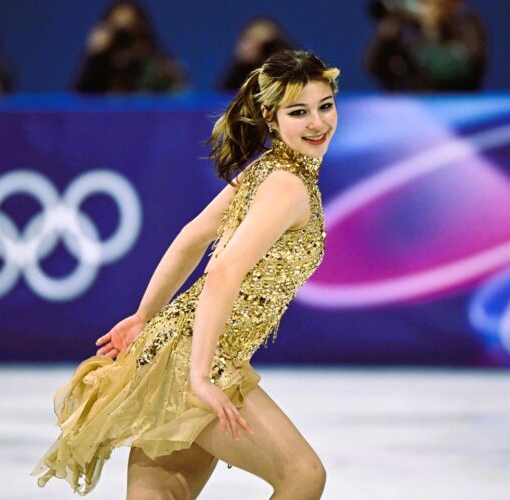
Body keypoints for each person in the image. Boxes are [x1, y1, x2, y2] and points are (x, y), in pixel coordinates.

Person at [32, 49, 338, 498]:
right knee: (302, 475)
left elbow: (192, 237)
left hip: (173, 346)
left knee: (162, 493)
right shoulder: (287, 185)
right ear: (271, 119)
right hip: (201, 361)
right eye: (299, 112)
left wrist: (143, 317)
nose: (317, 123)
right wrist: (199, 376)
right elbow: (222, 272)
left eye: (325, 106)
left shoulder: (268, 170)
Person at [365, 0, 487, 91]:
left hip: (455, 110)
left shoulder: (466, 24)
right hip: (408, 111)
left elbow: (454, 68)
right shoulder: (407, 29)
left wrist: (428, 32)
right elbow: (375, 68)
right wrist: (387, 35)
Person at [73, 1, 187, 93]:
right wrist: (93, 57)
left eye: (131, 36)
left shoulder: (162, 71)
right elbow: (75, 109)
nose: (124, 46)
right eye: (119, 37)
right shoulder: (100, 69)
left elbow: (180, 112)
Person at [217, 17, 294, 91]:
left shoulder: (291, 70)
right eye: (247, 39)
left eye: (253, 41)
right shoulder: (240, 72)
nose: (245, 46)